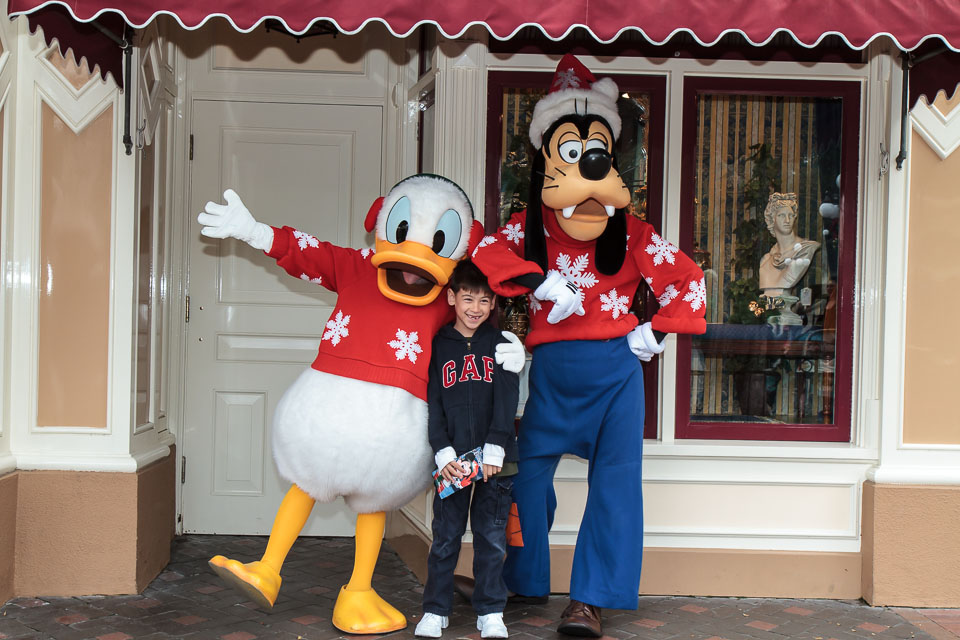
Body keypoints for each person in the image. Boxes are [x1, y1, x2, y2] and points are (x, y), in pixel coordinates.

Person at [470, 55, 706, 637]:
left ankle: (589, 600)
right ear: (547, 159)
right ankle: (520, 578)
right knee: (523, 480)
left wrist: (656, 330)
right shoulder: (529, 226)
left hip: (615, 375)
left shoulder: (633, 232)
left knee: (615, 486)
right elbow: (482, 254)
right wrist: (539, 279)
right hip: (551, 377)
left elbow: (688, 280)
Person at [415, 260, 521, 640]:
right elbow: (433, 404)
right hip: (453, 464)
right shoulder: (438, 345)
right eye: (468, 298)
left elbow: (508, 400)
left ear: (493, 304)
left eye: (484, 300)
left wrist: (495, 447)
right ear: (452, 298)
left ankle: (490, 611)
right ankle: (435, 609)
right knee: (445, 538)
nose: (475, 308)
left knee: (491, 540)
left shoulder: (502, 344)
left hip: (496, 463)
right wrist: (442, 451)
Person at [758, 192, 820, 297]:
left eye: (791, 215)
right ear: (772, 219)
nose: (787, 220)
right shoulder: (766, 261)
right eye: (781, 215)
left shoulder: (806, 249)